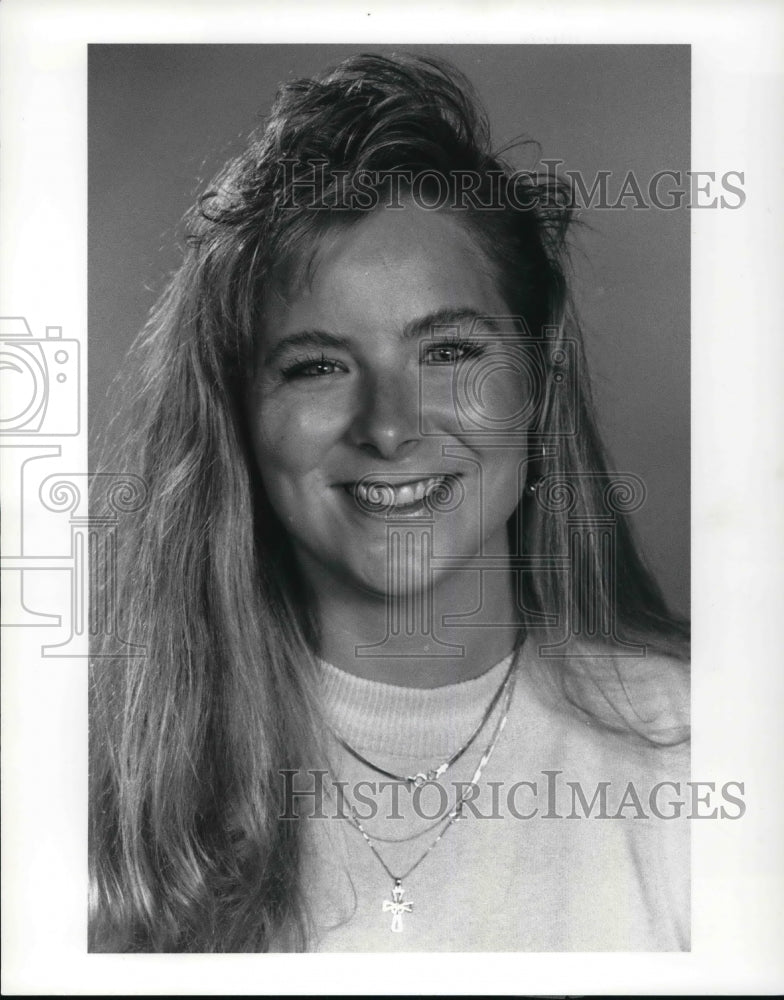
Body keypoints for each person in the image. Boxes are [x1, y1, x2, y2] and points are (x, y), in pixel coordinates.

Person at [89, 52, 690, 953]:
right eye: (317, 366)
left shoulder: (707, 754)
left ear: (536, 381)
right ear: (237, 415)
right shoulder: (89, 801)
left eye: (447, 351)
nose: (389, 427)